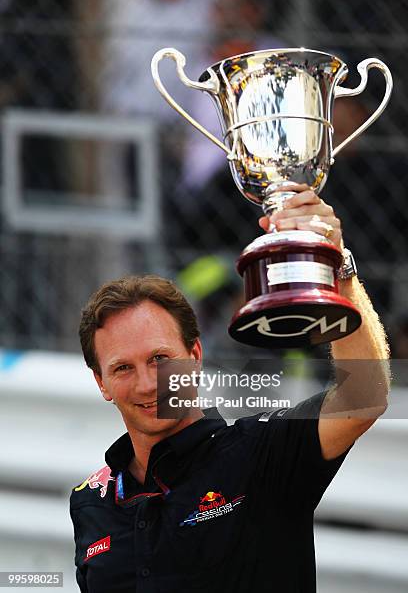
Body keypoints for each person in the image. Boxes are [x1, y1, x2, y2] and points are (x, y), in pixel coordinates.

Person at [70, 184, 390, 593]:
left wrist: (337, 268)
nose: (149, 383)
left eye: (160, 359)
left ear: (195, 355)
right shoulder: (90, 501)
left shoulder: (262, 452)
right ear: (102, 383)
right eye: (123, 368)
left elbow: (364, 394)